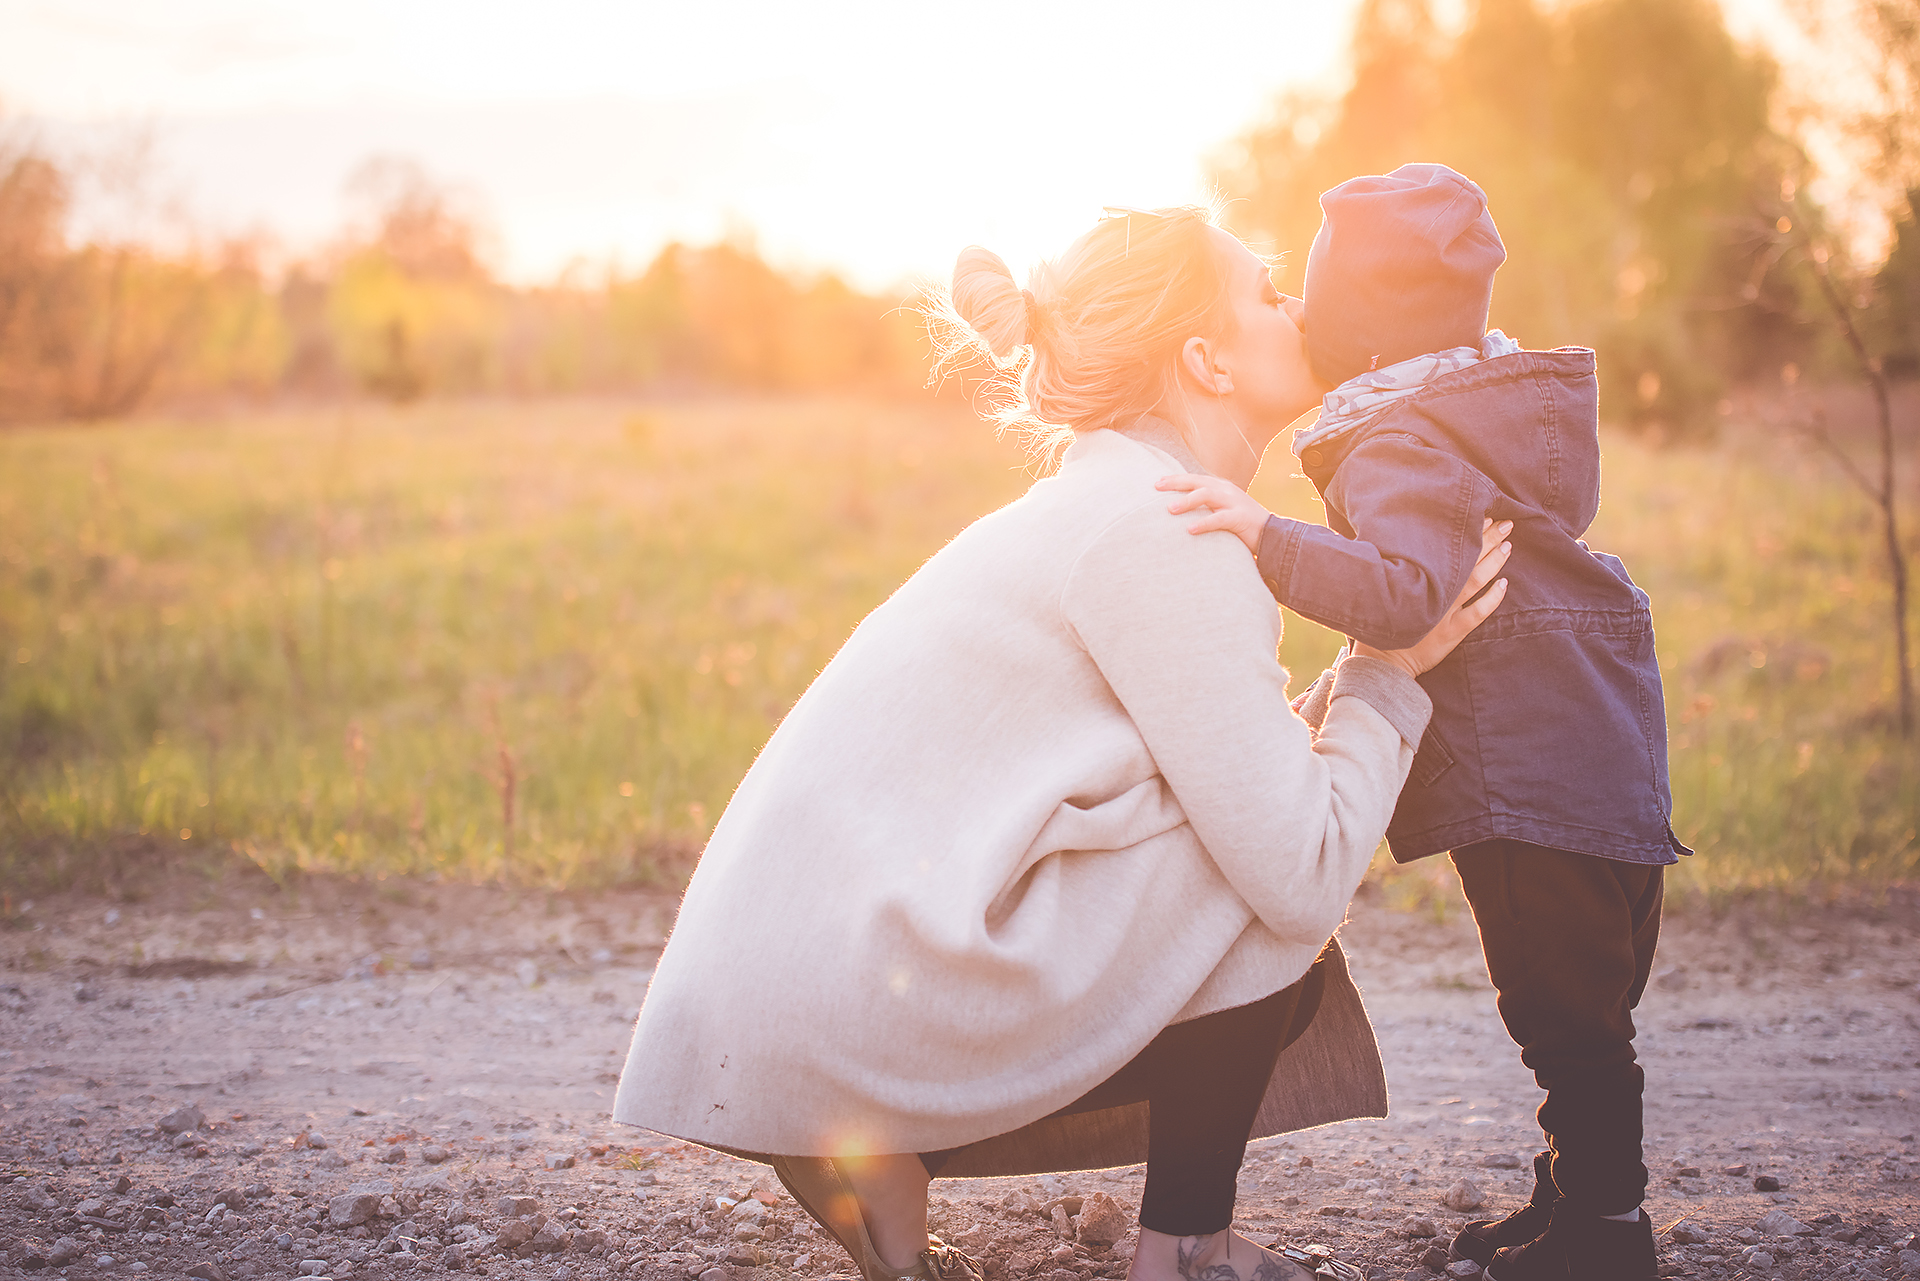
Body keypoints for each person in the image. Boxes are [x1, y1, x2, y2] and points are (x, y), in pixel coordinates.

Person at [612, 202, 1512, 1281]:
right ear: (1206, 361)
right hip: (846, 1006)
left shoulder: (1108, 499)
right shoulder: (1168, 529)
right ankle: (1184, 1250)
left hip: (792, 998)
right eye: (1269, 293)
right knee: (1255, 875)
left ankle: (883, 1158)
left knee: (1235, 820)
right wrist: (1387, 668)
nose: (1303, 307)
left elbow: (1239, 763)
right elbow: (1301, 868)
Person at [1158, 165, 1686, 1281]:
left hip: (1528, 770)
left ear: (1354, 325)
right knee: (1589, 1006)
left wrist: (1264, 535)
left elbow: (1405, 596)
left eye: (1309, 295)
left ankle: (1606, 1233)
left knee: (1564, 1013)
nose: (1293, 310)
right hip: (1604, 742)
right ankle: (1573, 1195)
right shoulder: (1484, 409)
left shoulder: (1399, 438)